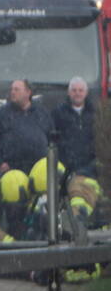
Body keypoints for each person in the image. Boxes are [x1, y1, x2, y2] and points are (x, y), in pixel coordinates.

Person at [51, 77, 102, 224]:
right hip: (65, 167)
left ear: (86, 93)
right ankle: (71, 223)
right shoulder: (58, 114)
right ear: (69, 93)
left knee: (87, 195)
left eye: (80, 90)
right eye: (74, 90)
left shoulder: (95, 114)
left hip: (90, 168)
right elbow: (53, 139)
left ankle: (80, 222)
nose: (77, 93)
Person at [0, 79, 53, 175]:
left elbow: (52, 138)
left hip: (38, 169)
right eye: (12, 90)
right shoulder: (2, 114)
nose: (13, 92)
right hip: (12, 169)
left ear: (28, 93)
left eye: (17, 90)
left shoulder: (41, 113)